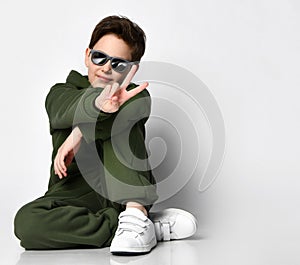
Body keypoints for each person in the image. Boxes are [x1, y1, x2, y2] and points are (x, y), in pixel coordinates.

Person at [14, 15, 197, 255]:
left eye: (119, 63)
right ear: (87, 56)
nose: (106, 67)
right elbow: (63, 111)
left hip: (123, 193)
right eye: (99, 57)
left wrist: (79, 131)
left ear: (131, 69)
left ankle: (134, 213)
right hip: (73, 197)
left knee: (123, 113)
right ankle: (139, 225)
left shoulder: (136, 96)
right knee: (27, 224)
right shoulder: (60, 93)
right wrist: (99, 104)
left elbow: (136, 105)